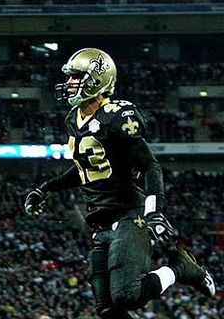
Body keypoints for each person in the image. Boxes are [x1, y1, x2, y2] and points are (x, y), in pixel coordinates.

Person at [24, 48, 215, 319]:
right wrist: (45, 188)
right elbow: (88, 167)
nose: (68, 83)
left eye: (76, 77)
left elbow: (150, 165)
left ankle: (179, 269)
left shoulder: (117, 117)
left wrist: (154, 212)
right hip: (100, 220)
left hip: (128, 214)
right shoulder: (74, 118)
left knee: (127, 295)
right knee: (107, 309)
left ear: (97, 79)